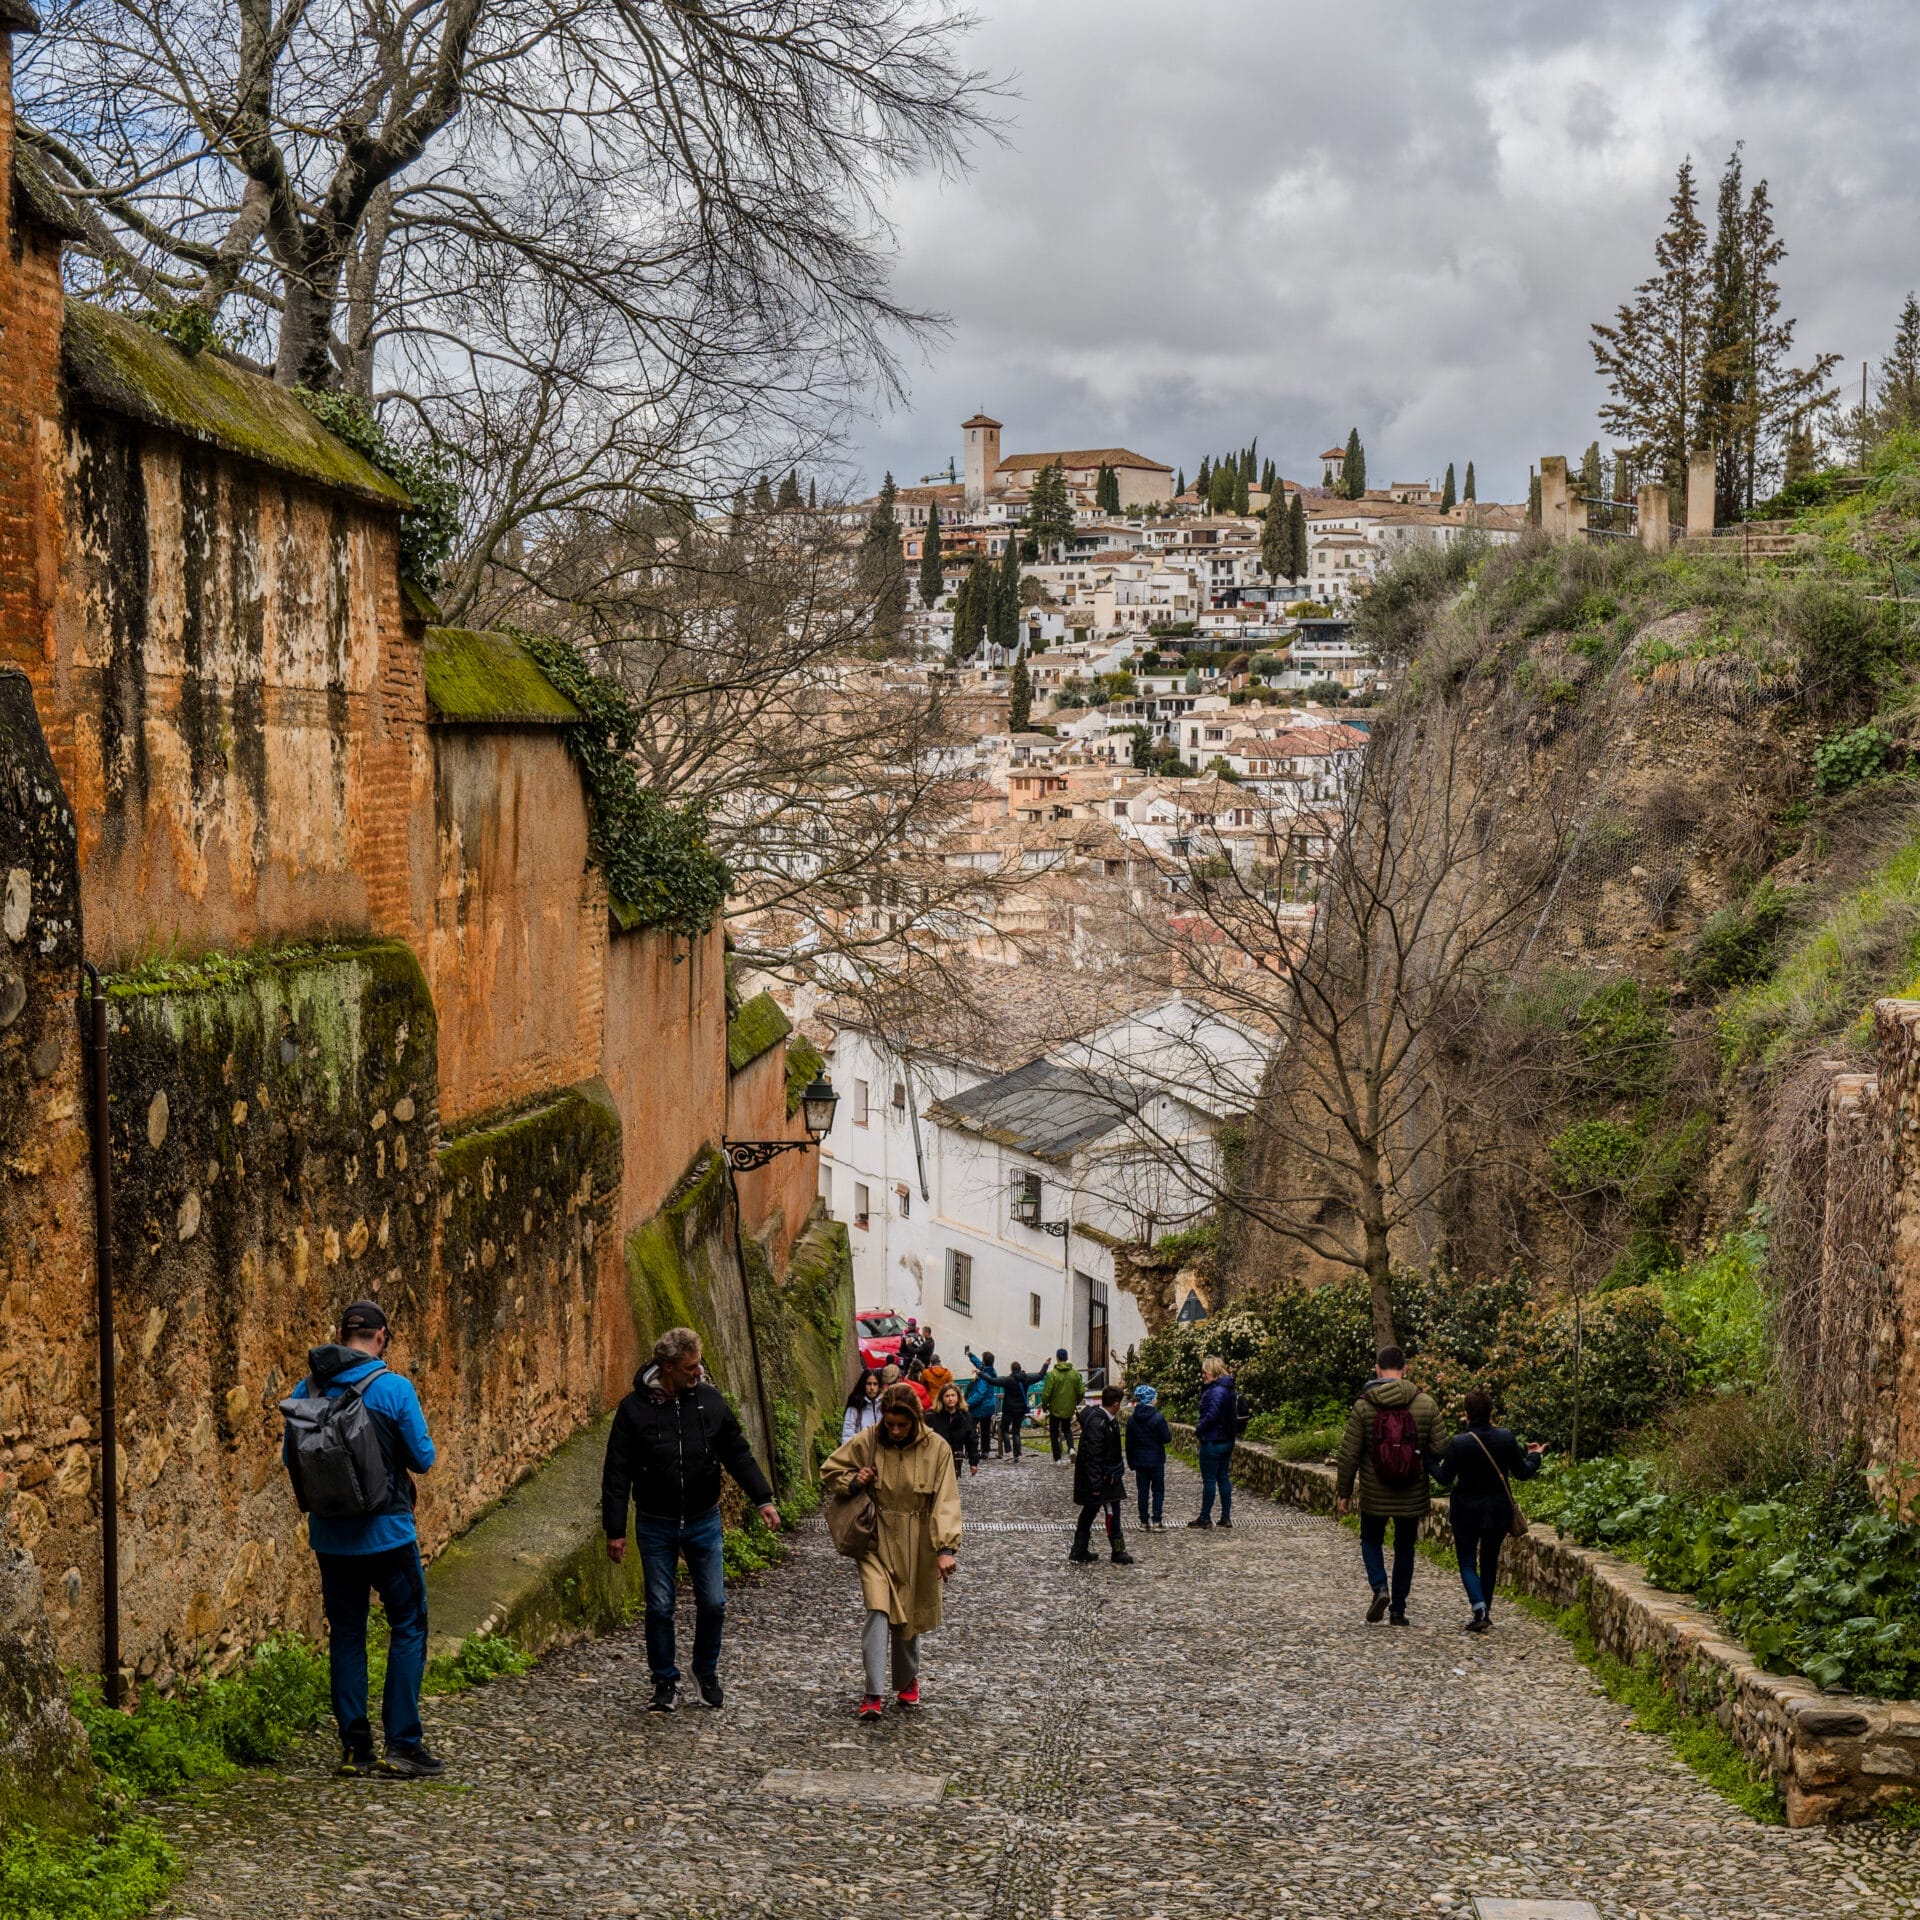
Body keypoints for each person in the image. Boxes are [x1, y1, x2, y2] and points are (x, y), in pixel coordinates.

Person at [282, 1299, 442, 1778]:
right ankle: (403, 1744)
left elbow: (293, 1461)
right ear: (381, 1338)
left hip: (331, 1539)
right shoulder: (393, 1388)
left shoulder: (305, 1388)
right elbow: (423, 1458)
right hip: (389, 1535)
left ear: (340, 1335)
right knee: (408, 1627)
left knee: (347, 1636)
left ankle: (355, 1747)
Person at [601, 1326, 781, 1712]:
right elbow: (616, 1472)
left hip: (704, 1519)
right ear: (666, 1367)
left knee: (714, 1602)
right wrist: (615, 1530)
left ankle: (705, 1671)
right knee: (660, 1606)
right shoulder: (633, 1410)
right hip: (654, 1522)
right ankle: (664, 1680)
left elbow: (738, 1452)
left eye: (698, 1365)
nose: (698, 1373)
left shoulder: (710, 1402)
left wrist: (763, 1499)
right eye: (690, 1367)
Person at [821, 1383, 963, 1719]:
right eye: (890, 1424)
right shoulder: (870, 1439)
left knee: (909, 1614)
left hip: (918, 1540)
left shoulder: (937, 1448)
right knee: (878, 1609)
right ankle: (872, 1691)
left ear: (915, 1420)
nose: (896, 1431)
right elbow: (830, 1469)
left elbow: (946, 1500)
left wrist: (946, 1548)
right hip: (875, 1537)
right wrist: (855, 1481)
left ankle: (907, 1679)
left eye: (903, 1425)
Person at [1334, 1344, 1443, 1626]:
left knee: (1371, 1541)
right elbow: (1441, 1447)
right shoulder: (1425, 1403)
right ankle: (1398, 1610)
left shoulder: (1364, 1404)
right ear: (1405, 1369)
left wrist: (1343, 1492)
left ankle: (1380, 1588)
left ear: (1377, 1369)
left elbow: (1349, 1453)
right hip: (1411, 1490)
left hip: (1374, 1489)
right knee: (1405, 1548)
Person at [1429, 1388, 1544, 1632]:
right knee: (1490, 1562)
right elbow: (1523, 1473)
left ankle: (1479, 1608)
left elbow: (1443, 1478)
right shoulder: (1506, 1438)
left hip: (1466, 1513)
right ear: (1491, 1413)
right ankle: (1485, 1612)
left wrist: (1426, 1461)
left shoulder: (1459, 1443)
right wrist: (1535, 1456)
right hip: (1498, 1512)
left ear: (1466, 1414)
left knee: (1467, 1562)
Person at [1068, 1384, 1133, 1565]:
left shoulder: (1104, 1420)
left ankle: (1079, 1549)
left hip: (1105, 1476)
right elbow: (1093, 1455)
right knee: (1112, 1513)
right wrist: (1096, 1484)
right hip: (1103, 1479)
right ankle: (1118, 1550)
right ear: (1116, 1404)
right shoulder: (1100, 1423)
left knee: (1089, 1511)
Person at [1187, 1355, 1238, 1529]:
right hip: (1227, 1440)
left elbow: (1212, 1415)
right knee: (1223, 1477)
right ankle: (1225, 1517)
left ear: (1213, 1371)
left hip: (1213, 1440)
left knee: (1209, 1480)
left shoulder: (1216, 1390)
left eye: (1205, 1372)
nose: (1203, 1375)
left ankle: (1205, 1517)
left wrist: (1199, 1428)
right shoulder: (1228, 1388)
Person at [1125, 1384, 1172, 1533]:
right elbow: (1166, 1438)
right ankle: (1157, 1521)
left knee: (1142, 1492)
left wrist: (1131, 1462)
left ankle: (1144, 1522)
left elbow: (1129, 1443)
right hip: (1156, 1460)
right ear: (1151, 1399)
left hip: (1139, 1461)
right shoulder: (1158, 1418)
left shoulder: (1132, 1420)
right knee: (1158, 1490)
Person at [1040, 1347, 1083, 1464]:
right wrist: (1075, 1402)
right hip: (1069, 1408)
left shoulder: (1052, 1374)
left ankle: (1057, 1458)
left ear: (1057, 1358)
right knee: (1067, 1429)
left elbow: (1046, 1393)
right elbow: (1081, 1391)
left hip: (1054, 1408)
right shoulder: (1075, 1374)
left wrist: (1044, 1406)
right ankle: (1071, 1448)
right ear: (1067, 1358)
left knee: (1054, 1433)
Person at [927, 1383, 980, 1477]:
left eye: (953, 1395)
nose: (950, 1399)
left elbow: (972, 1440)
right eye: (947, 1396)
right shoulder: (932, 1416)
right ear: (942, 1398)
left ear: (958, 1397)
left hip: (955, 1458)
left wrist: (973, 1462)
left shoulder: (965, 1417)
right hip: (936, 1458)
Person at [999, 1360, 1046, 1459]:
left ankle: (1008, 1451)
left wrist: (980, 1374)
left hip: (1008, 1409)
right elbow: (1040, 1376)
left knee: (1004, 1429)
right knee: (1016, 1431)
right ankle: (1017, 1454)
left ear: (1011, 1369)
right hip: (1021, 1409)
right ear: (1020, 1369)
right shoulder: (1026, 1379)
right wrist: (1045, 1365)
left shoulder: (1008, 1380)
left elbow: (992, 1380)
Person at [963, 1350, 1001, 1456]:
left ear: (984, 1362)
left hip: (980, 1407)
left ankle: (972, 1451)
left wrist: (967, 1403)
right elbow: (979, 1364)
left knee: (970, 1429)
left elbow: (979, 1394)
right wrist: (971, 1355)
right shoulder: (991, 1371)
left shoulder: (984, 1377)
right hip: (989, 1406)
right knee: (985, 1430)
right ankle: (985, 1451)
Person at [842, 1368, 884, 1443]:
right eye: (869, 1383)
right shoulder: (855, 1404)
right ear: (863, 1385)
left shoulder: (883, 1404)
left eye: (875, 1384)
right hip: (860, 1449)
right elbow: (847, 1433)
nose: (872, 1388)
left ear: (879, 1385)